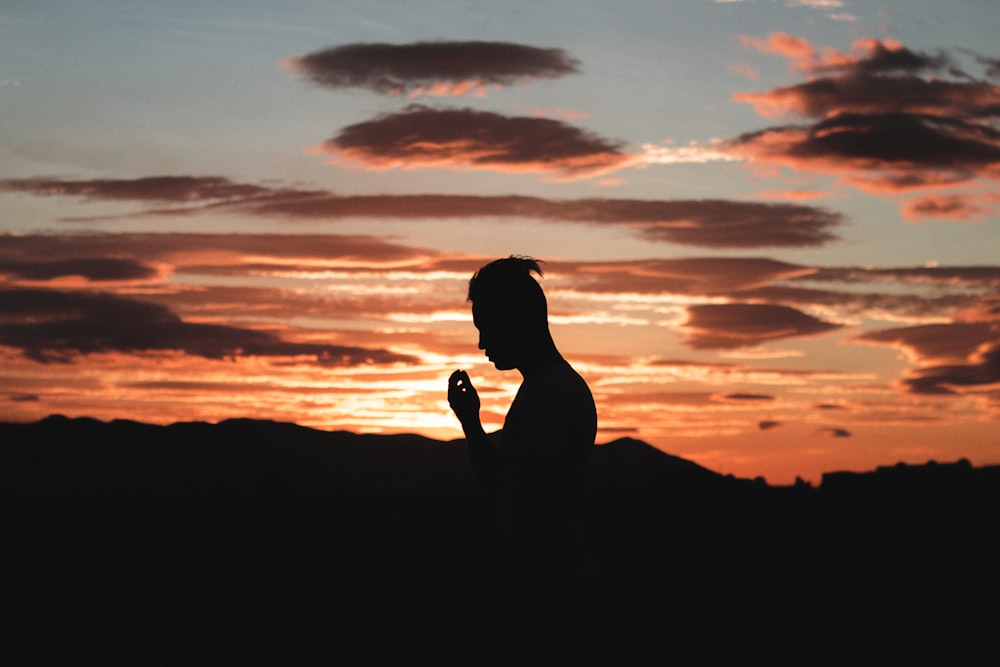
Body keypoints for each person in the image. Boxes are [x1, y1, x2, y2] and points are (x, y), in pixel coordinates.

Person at [447, 257, 599, 604]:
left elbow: (510, 493)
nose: (482, 343)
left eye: (486, 327)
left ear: (514, 318)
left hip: (552, 590)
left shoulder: (553, 393)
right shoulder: (548, 388)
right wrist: (470, 420)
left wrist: (470, 424)